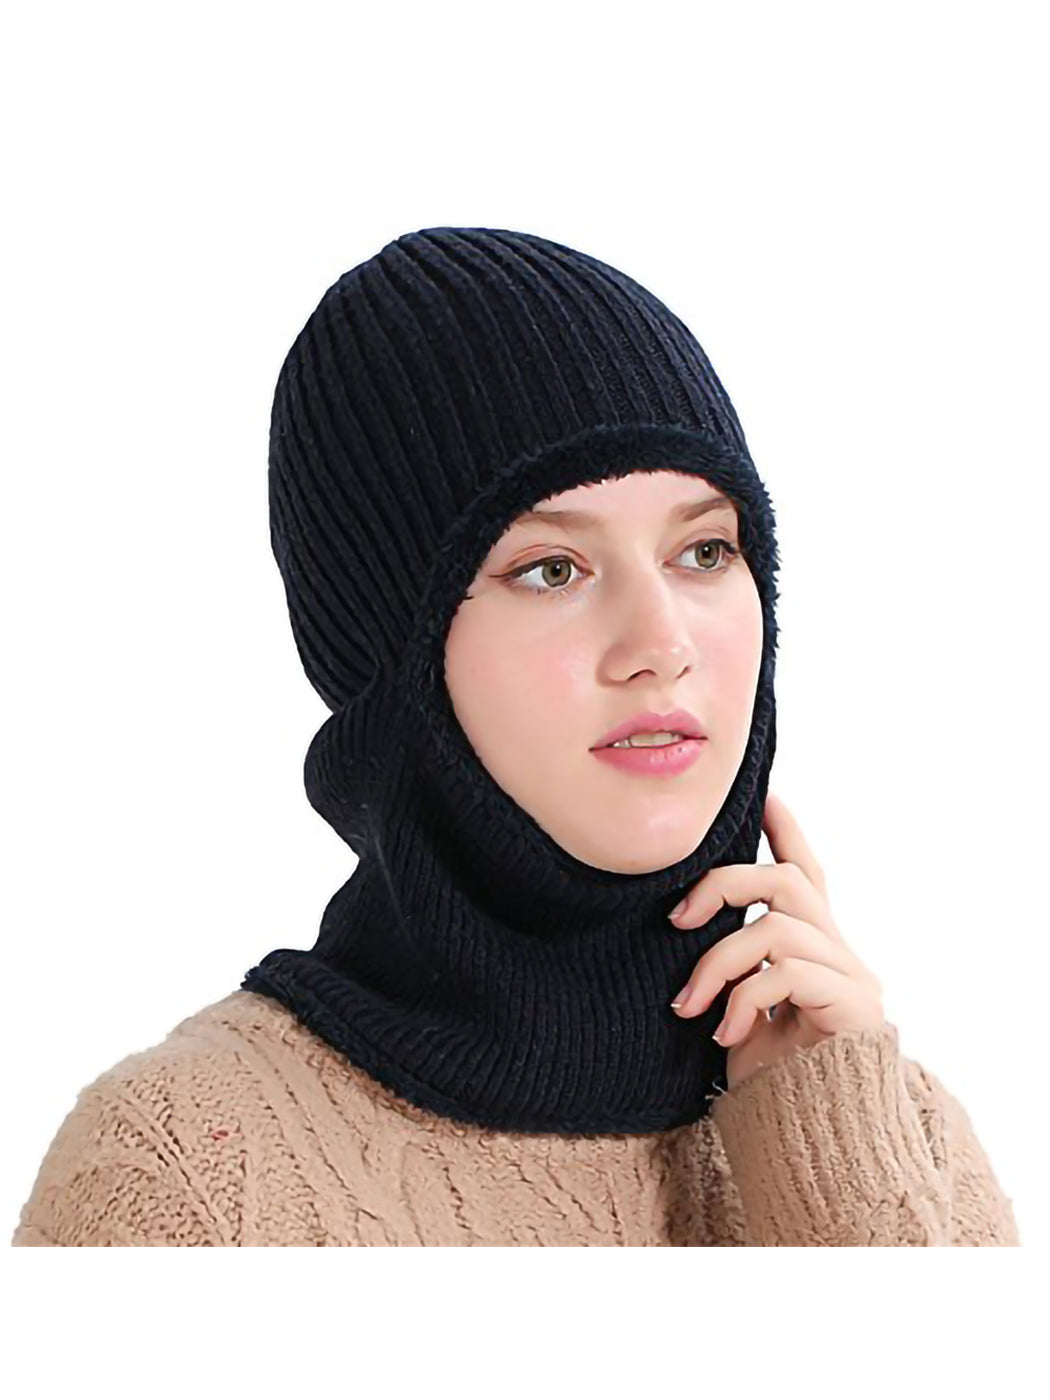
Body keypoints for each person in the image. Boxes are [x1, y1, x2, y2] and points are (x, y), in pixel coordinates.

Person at [11, 227, 1020, 1246]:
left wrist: (833, 1159)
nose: (663, 645)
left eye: (706, 550)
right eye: (551, 570)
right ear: (395, 652)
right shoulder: (183, 1170)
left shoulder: (894, 1131)